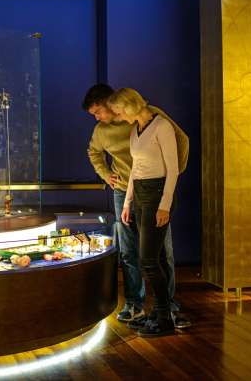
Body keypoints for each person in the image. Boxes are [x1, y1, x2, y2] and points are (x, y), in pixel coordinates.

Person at [82, 84, 191, 330]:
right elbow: (95, 153)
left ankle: (168, 306)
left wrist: (169, 178)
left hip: (155, 191)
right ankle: (135, 303)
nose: (97, 117)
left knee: (162, 252)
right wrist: (106, 175)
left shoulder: (148, 118)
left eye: (98, 111)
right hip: (126, 190)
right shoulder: (104, 131)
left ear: (113, 104)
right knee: (129, 251)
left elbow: (180, 141)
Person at [107, 87, 182, 337]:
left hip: (157, 194)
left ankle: (165, 318)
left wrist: (165, 205)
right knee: (154, 258)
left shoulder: (162, 126)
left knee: (148, 260)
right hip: (140, 193)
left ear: (129, 106)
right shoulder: (135, 131)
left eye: (119, 111)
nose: (118, 117)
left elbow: (173, 169)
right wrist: (127, 202)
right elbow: (135, 169)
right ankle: (159, 312)